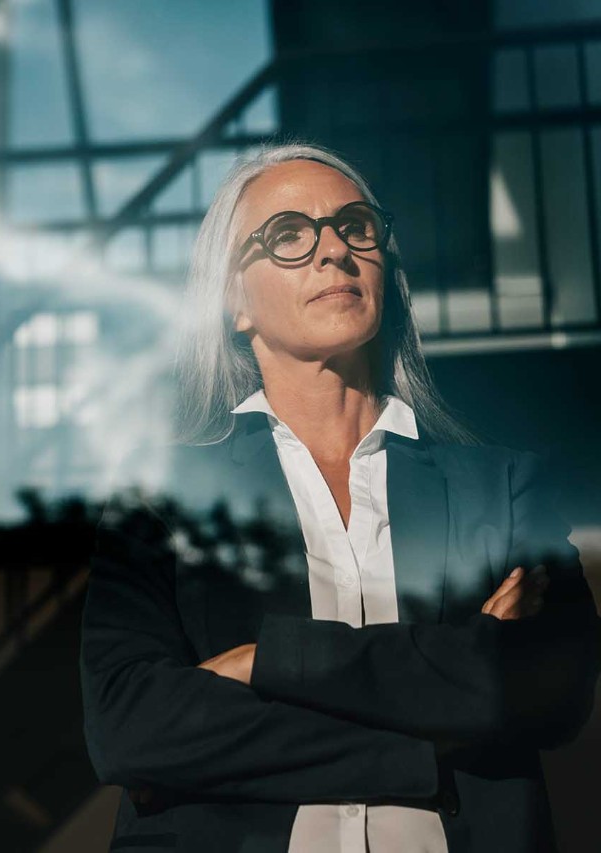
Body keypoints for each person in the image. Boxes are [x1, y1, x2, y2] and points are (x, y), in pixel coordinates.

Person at [79, 143, 600, 853]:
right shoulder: (160, 501)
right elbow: (130, 728)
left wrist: (266, 662)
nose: (334, 251)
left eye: (356, 227)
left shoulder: (504, 488)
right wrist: (435, 725)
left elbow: (553, 688)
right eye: (288, 235)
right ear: (235, 303)